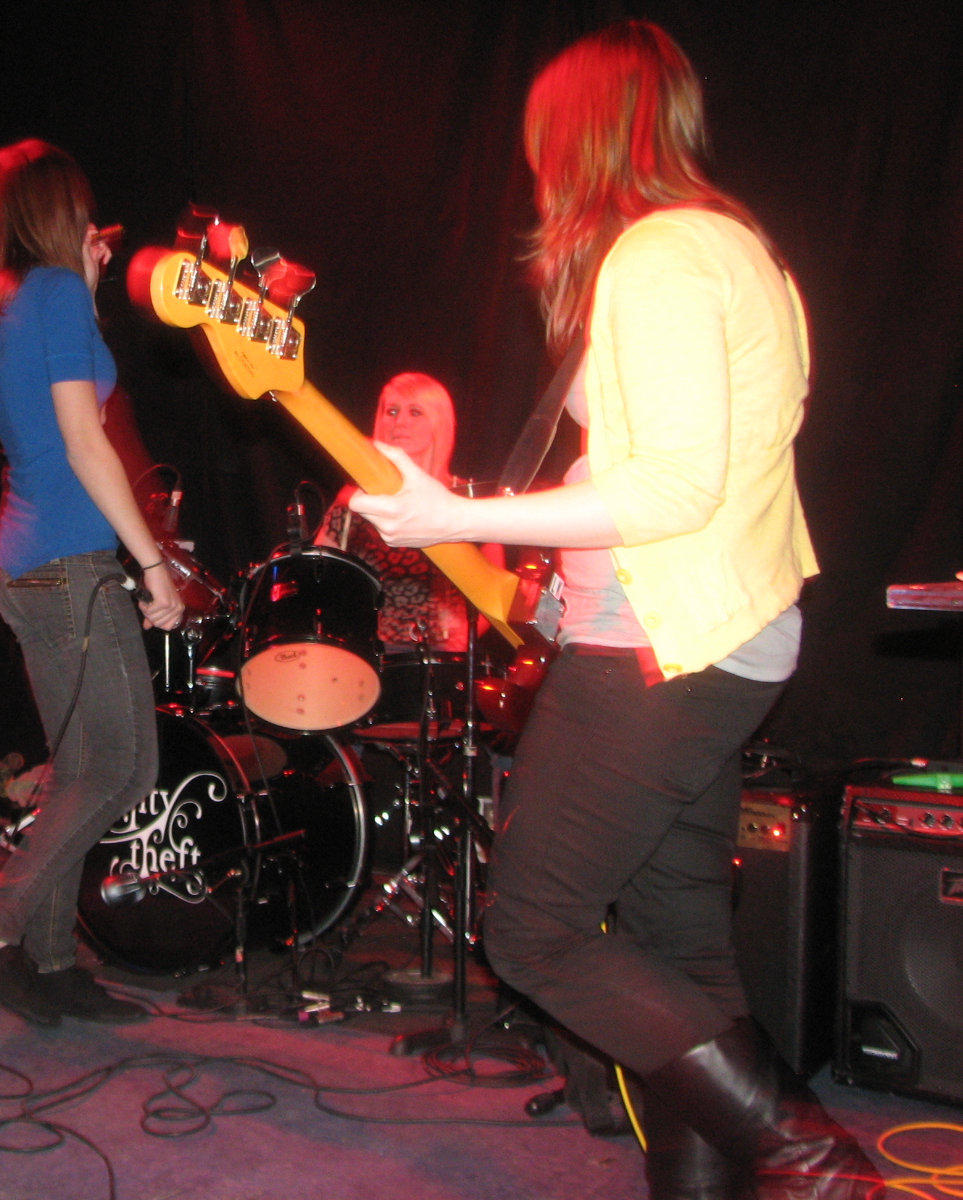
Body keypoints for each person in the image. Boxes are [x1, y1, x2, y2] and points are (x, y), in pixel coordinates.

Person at [350, 22, 879, 1200]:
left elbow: (676, 486)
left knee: (531, 928)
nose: (536, 173)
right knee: (677, 944)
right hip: (713, 637)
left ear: (579, 141)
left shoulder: (657, 255)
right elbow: (667, 456)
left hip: (655, 646)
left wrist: (451, 517)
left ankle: (816, 1164)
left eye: (544, 146)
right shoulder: (739, 251)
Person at [0, 139, 185, 1026]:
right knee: (126, 766)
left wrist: (81, 289)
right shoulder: (55, 294)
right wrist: (152, 562)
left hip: (20, 563)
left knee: (79, 773)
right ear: (64, 211)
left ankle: (50, 964)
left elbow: (38, 414)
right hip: (73, 565)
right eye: (85, 211)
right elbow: (85, 440)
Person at [316, 372, 469, 652]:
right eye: (392, 411)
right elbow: (316, 574)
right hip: (362, 655)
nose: (400, 422)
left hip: (439, 658)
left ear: (438, 423)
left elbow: (497, 594)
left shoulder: (466, 497)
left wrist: (460, 645)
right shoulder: (355, 500)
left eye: (415, 412)